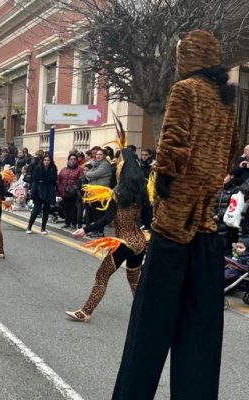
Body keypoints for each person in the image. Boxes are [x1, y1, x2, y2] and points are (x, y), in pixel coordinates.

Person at [112, 30, 239, 400]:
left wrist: (164, 187)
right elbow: (230, 153)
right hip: (206, 225)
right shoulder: (225, 100)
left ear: (189, 58)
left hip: (173, 225)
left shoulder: (186, 90)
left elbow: (172, 146)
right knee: (200, 335)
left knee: (147, 334)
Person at [67, 147, 147, 322]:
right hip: (140, 243)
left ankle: (86, 312)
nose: (116, 166)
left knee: (101, 276)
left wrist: (85, 229)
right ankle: (146, 316)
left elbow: (106, 219)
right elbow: (148, 221)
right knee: (135, 282)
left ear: (123, 168)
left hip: (123, 243)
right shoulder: (143, 192)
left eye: (118, 163)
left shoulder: (117, 193)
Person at [26, 155, 57, 234]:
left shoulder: (53, 169)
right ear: (42, 161)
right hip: (38, 192)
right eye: (45, 160)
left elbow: (53, 179)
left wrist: (42, 181)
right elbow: (35, 178)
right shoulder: (38, 168)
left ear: (50, 161)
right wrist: (43, 181)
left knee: (46, 211)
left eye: (48, 160)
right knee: (36, 210)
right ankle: (29, 226)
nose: (46, 162)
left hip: (48, 191)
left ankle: (43, 228)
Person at [58, 154, 84, 229]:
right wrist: (59, 189)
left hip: (74, 193)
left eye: (74, 159)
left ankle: (73, 223)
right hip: (65, 192)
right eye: (71, 159)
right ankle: (67, 223)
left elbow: (81, 180)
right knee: (66, 208)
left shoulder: (80, 169)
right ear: (68, 160)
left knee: (74, 209)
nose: (73, 160)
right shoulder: (64, 169)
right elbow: (59, 179)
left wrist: (75, 188)